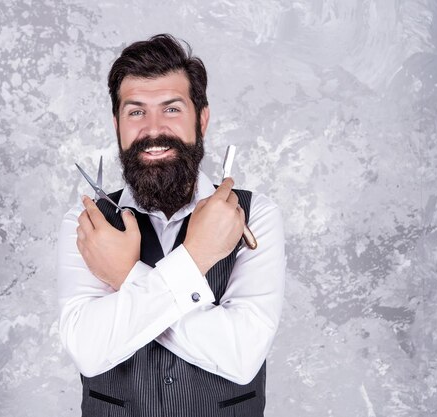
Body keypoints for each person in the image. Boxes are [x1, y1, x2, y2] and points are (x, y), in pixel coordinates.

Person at [57, 34, 285, 417]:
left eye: (172, 109)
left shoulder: (256, 214)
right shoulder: (86, 225)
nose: (153, 128)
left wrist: (127, 277)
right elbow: (89, 351)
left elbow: (242, 356)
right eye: (136, 112)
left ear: (202, 118)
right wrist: (197, 257)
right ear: (117, 124)